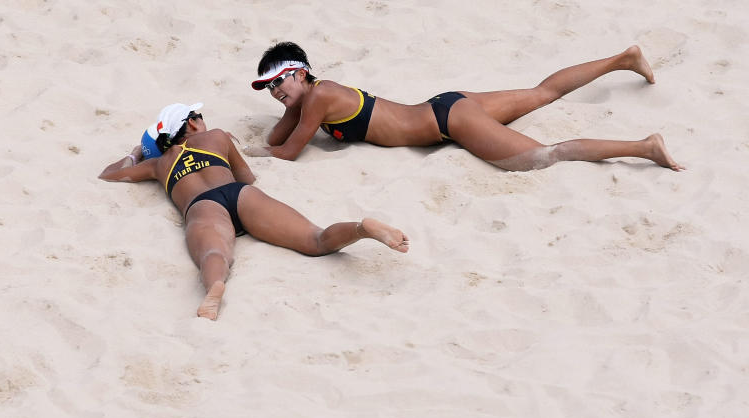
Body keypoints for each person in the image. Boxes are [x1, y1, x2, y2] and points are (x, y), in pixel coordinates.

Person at [98, 102, 410, 320]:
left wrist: (137, 152)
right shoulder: (217, 137)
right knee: (316, 240)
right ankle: (361, 228)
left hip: (202, 206)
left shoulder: (158, 164)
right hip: (241, 195)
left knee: (213, 256)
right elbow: (247, 177)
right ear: (193, 123)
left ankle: (214, 287)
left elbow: (110, 175)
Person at [247, 42, 683, 171]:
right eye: (267, 87)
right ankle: (623, 59)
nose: (274, 91)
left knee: (544, 156)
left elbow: (285, 152)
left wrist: (242, 151)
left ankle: (644, 147)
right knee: (542, 93)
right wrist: (287, 104)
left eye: (279, 80)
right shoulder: (311, 97)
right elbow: (280, 134)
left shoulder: (320, 96)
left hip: (447, 121)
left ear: (303, 72)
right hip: (447, 104)